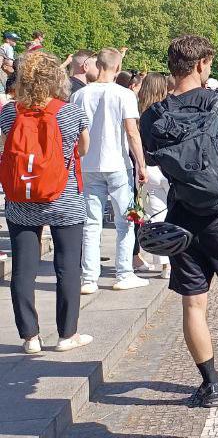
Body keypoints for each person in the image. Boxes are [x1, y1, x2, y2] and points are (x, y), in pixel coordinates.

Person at [139, 35, 218, 407]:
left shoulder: (154, 116)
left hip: (182, 217)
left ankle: (210, 384)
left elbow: (156, 160)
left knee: (194, 303)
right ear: (201, 64)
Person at [3, 51, 93, 354]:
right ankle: (67, 335)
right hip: (63, 199)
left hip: (21, 199)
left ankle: (30, 336)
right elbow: (81, 151)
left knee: (23, 269)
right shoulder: (71, 112)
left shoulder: (9, 113)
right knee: (68, 267)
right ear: (58, 79)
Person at [70, 47, 148, 293]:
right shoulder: (124, 95)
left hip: (89, 163)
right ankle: (124, 272)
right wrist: (141, 163)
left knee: (91, 224)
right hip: (117, 163)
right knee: (125, 221)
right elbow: (132, 132)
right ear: (117, 67)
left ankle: (89, 278)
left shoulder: (80, 95)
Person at [136, 73, 173, 279]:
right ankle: (176, 257)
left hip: (147, 167)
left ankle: (164, 263)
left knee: (156, 216)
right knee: (174, 213)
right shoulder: (167, 109)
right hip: (167, 167)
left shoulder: (138, 111)